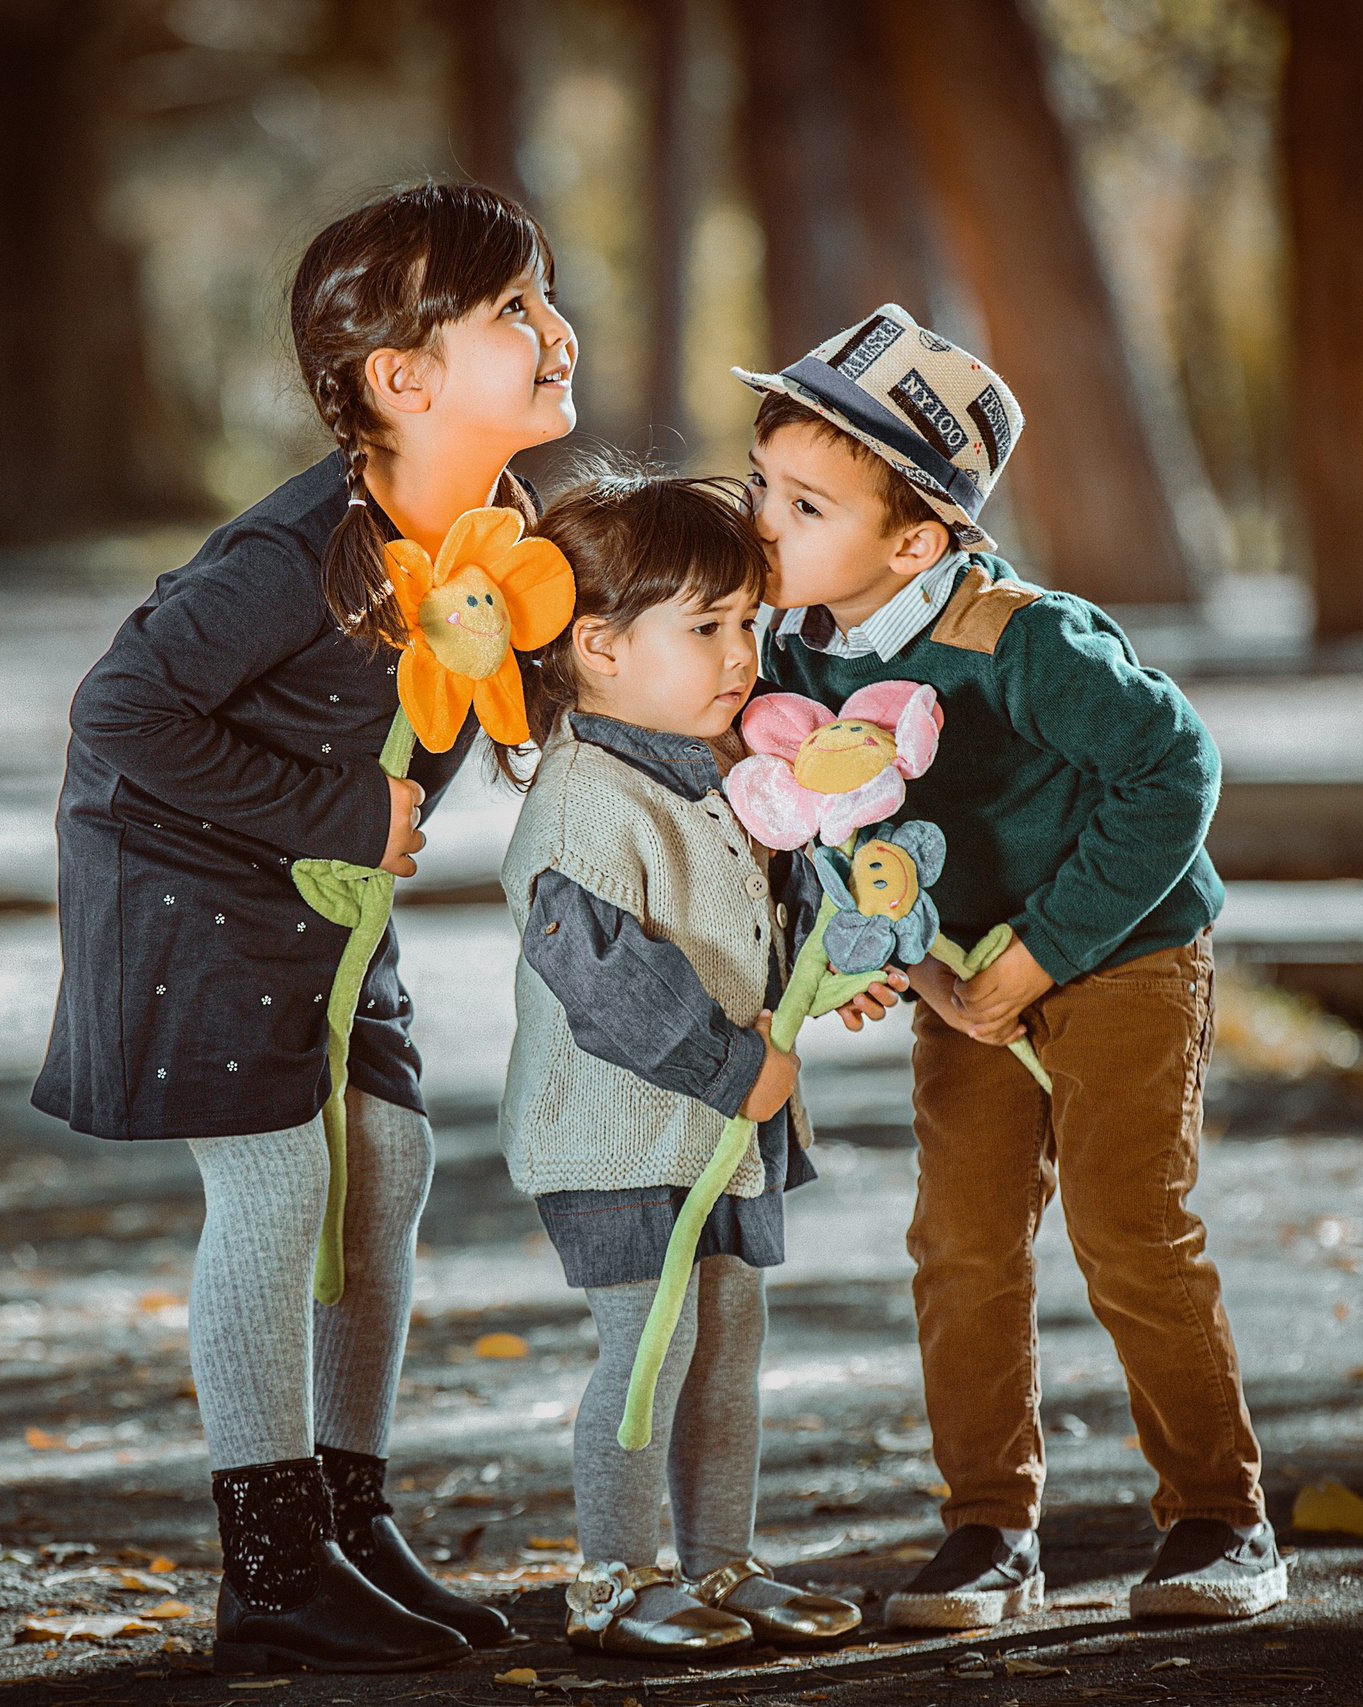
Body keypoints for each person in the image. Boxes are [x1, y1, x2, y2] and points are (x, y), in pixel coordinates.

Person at [32, 182, 576, 1674]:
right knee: (277, 1183)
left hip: (317, 891)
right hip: (185, 877)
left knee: (384, 1155)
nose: (554, 329)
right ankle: (268, 1567)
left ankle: (347, 1510)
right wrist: (338, 819)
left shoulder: (489, 529)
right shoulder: (292, 557)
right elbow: (121, 707)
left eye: (545, 298)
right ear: (402, 380)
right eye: (512, 311)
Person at [736, 305, 1284, 1624]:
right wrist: (858, 942)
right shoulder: (793, 647)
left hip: (1121, 949)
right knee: (961, 1244)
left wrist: (1038, 955)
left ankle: (1223, 1516)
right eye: (761, 482)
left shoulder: (1021, 638)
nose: (763, 520)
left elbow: (1174, 769)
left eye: (805, 504)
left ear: (915, 539)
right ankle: (990, 1530)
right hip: (965, 970)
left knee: (1127, 1226)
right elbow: (821, 812)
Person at [496, 470, 884, 1659]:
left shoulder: (707, 765)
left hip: (723, 1134)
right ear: (598, 647)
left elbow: (758, 900)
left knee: (725, 1351)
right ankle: (613, 1579)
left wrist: (835, 955)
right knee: (648, 1347)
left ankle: (719, 1568)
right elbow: (605, 975)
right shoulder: (582, 803)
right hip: (625, 1134)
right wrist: (731, 1067)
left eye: (746, 625)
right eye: (706, 628)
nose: (740, 653)